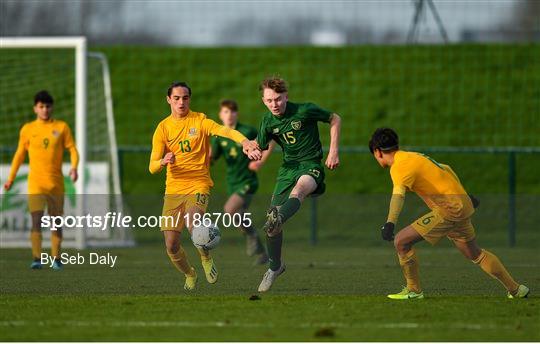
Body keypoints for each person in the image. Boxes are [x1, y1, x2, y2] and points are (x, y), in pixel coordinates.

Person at [369, 127, 529, 299]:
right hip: (461, 206)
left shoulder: (399, 167)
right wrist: (466, 196)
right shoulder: (414, 156)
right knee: (475, 254)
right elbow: (446, 168)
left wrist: (390, 222)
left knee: (401, 242)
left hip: (449, 209)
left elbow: (398, 196)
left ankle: (414, 290)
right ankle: (516, 289)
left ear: (378, 152)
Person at [149, 82, 261, 291]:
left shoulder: (199, 121)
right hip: (173, 189)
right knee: (171, 245)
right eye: (176, 98)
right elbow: (152, 167)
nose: (181, 102)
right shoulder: (162, 128)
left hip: (198, 184)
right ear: (169, 100)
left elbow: (224, 131)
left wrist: (245, 142)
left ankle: (206, 257)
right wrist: (163, 161)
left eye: (185, 98)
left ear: (189, 99)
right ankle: (190, 273)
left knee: (194, 223)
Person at [254, 77, 342, 292]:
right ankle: (275, 267)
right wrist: (252, 149)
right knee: (272, 229)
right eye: (268, 101)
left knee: (299, 190)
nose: (273, 104)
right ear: (263, 100)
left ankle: (278, 217)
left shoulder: (305, 110)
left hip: (310, 165)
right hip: (287, 170)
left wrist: (333, 151)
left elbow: (335, 118)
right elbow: (261, 145)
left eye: (277, 99)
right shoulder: (267, 121)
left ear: (286, 96)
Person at [4, 90, 79, 270]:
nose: (45, 109)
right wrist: (11, 178)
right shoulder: (28, 129)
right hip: (36, 183)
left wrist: (74, 167)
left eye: (47, 106)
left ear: (52, 108)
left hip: (55, 184)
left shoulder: (61, 127)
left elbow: (73, 149)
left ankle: (56, 259)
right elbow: (19, 155)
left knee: (56, 222)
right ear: (35, 109)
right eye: (41, 106)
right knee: (36, 219)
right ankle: (37, 258)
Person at [210, 99, 274, 265]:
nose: (229, 115)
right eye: (225, 112)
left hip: (248, 181)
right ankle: (262, 252)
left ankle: (252, 238)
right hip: (232, 182)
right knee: (239, 216)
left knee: (229, 209)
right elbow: (211, 159)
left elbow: (270, 141)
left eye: (232, 112)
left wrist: (260, 161)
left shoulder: (247, 131)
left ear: (237, 114)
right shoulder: (219, 137)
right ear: (220, 115)